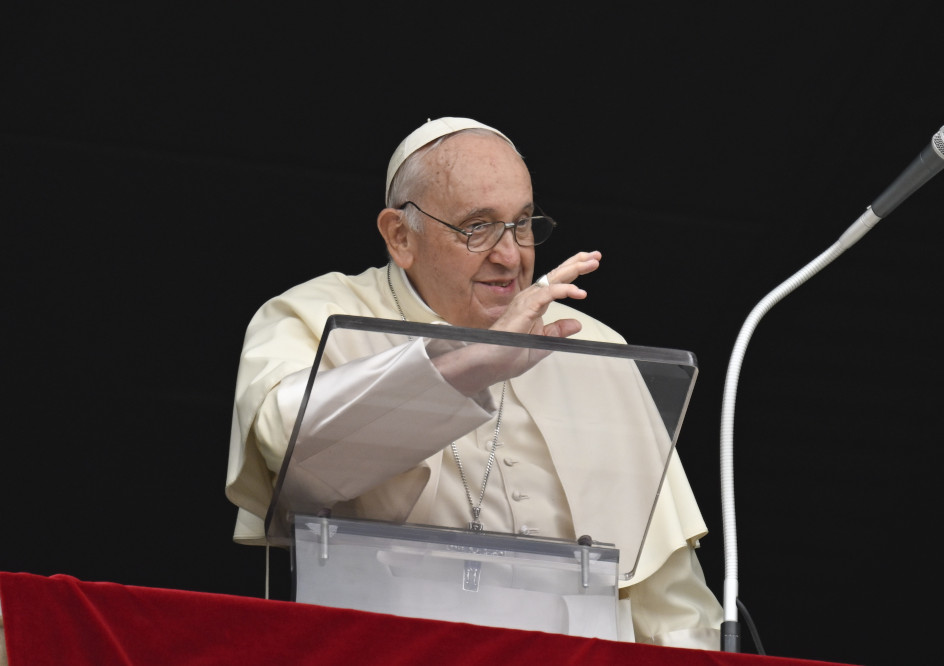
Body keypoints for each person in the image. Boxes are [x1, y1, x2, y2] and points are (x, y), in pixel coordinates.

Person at [225, 117, 723, 649]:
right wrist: (467, 366)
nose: (511, 256)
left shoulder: (594, 346)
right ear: (400, 236)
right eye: (477, 227)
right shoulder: (313, 314)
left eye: (523, 223)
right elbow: (288, 441)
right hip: (380, 651)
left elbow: (667, 594)